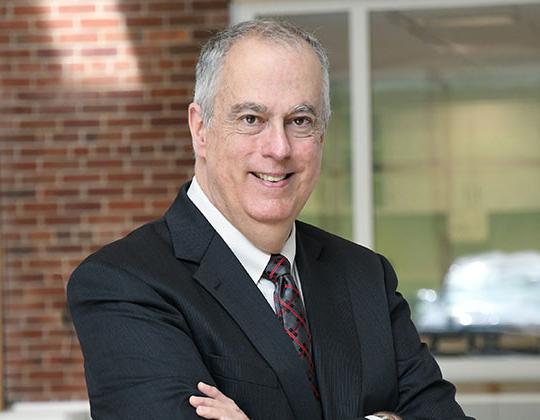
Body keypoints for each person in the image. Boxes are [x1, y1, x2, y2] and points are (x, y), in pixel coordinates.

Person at [67, 19, 474, 420]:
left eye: (300, 121)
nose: (278, 148)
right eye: (251, 119)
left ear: (322, 136)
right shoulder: (124, 283)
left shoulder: (366, 277)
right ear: (200, 129)